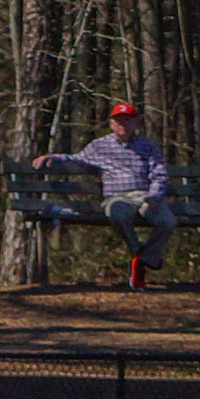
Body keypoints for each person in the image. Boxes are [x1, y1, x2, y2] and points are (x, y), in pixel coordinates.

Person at [33, 102, 175, 290]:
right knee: (117, 213)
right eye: (118, 120)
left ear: (136, 123)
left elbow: (159, 173)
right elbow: (76, 158)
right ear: (111, 124)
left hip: (144, 195)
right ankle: (140, 254)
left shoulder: (147, 146)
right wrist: (51, 157)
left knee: (167, 221)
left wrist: (155, 195)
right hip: (117, 197)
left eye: (127, 120)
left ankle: (143, 259)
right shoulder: (99, 146)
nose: (122, 124)